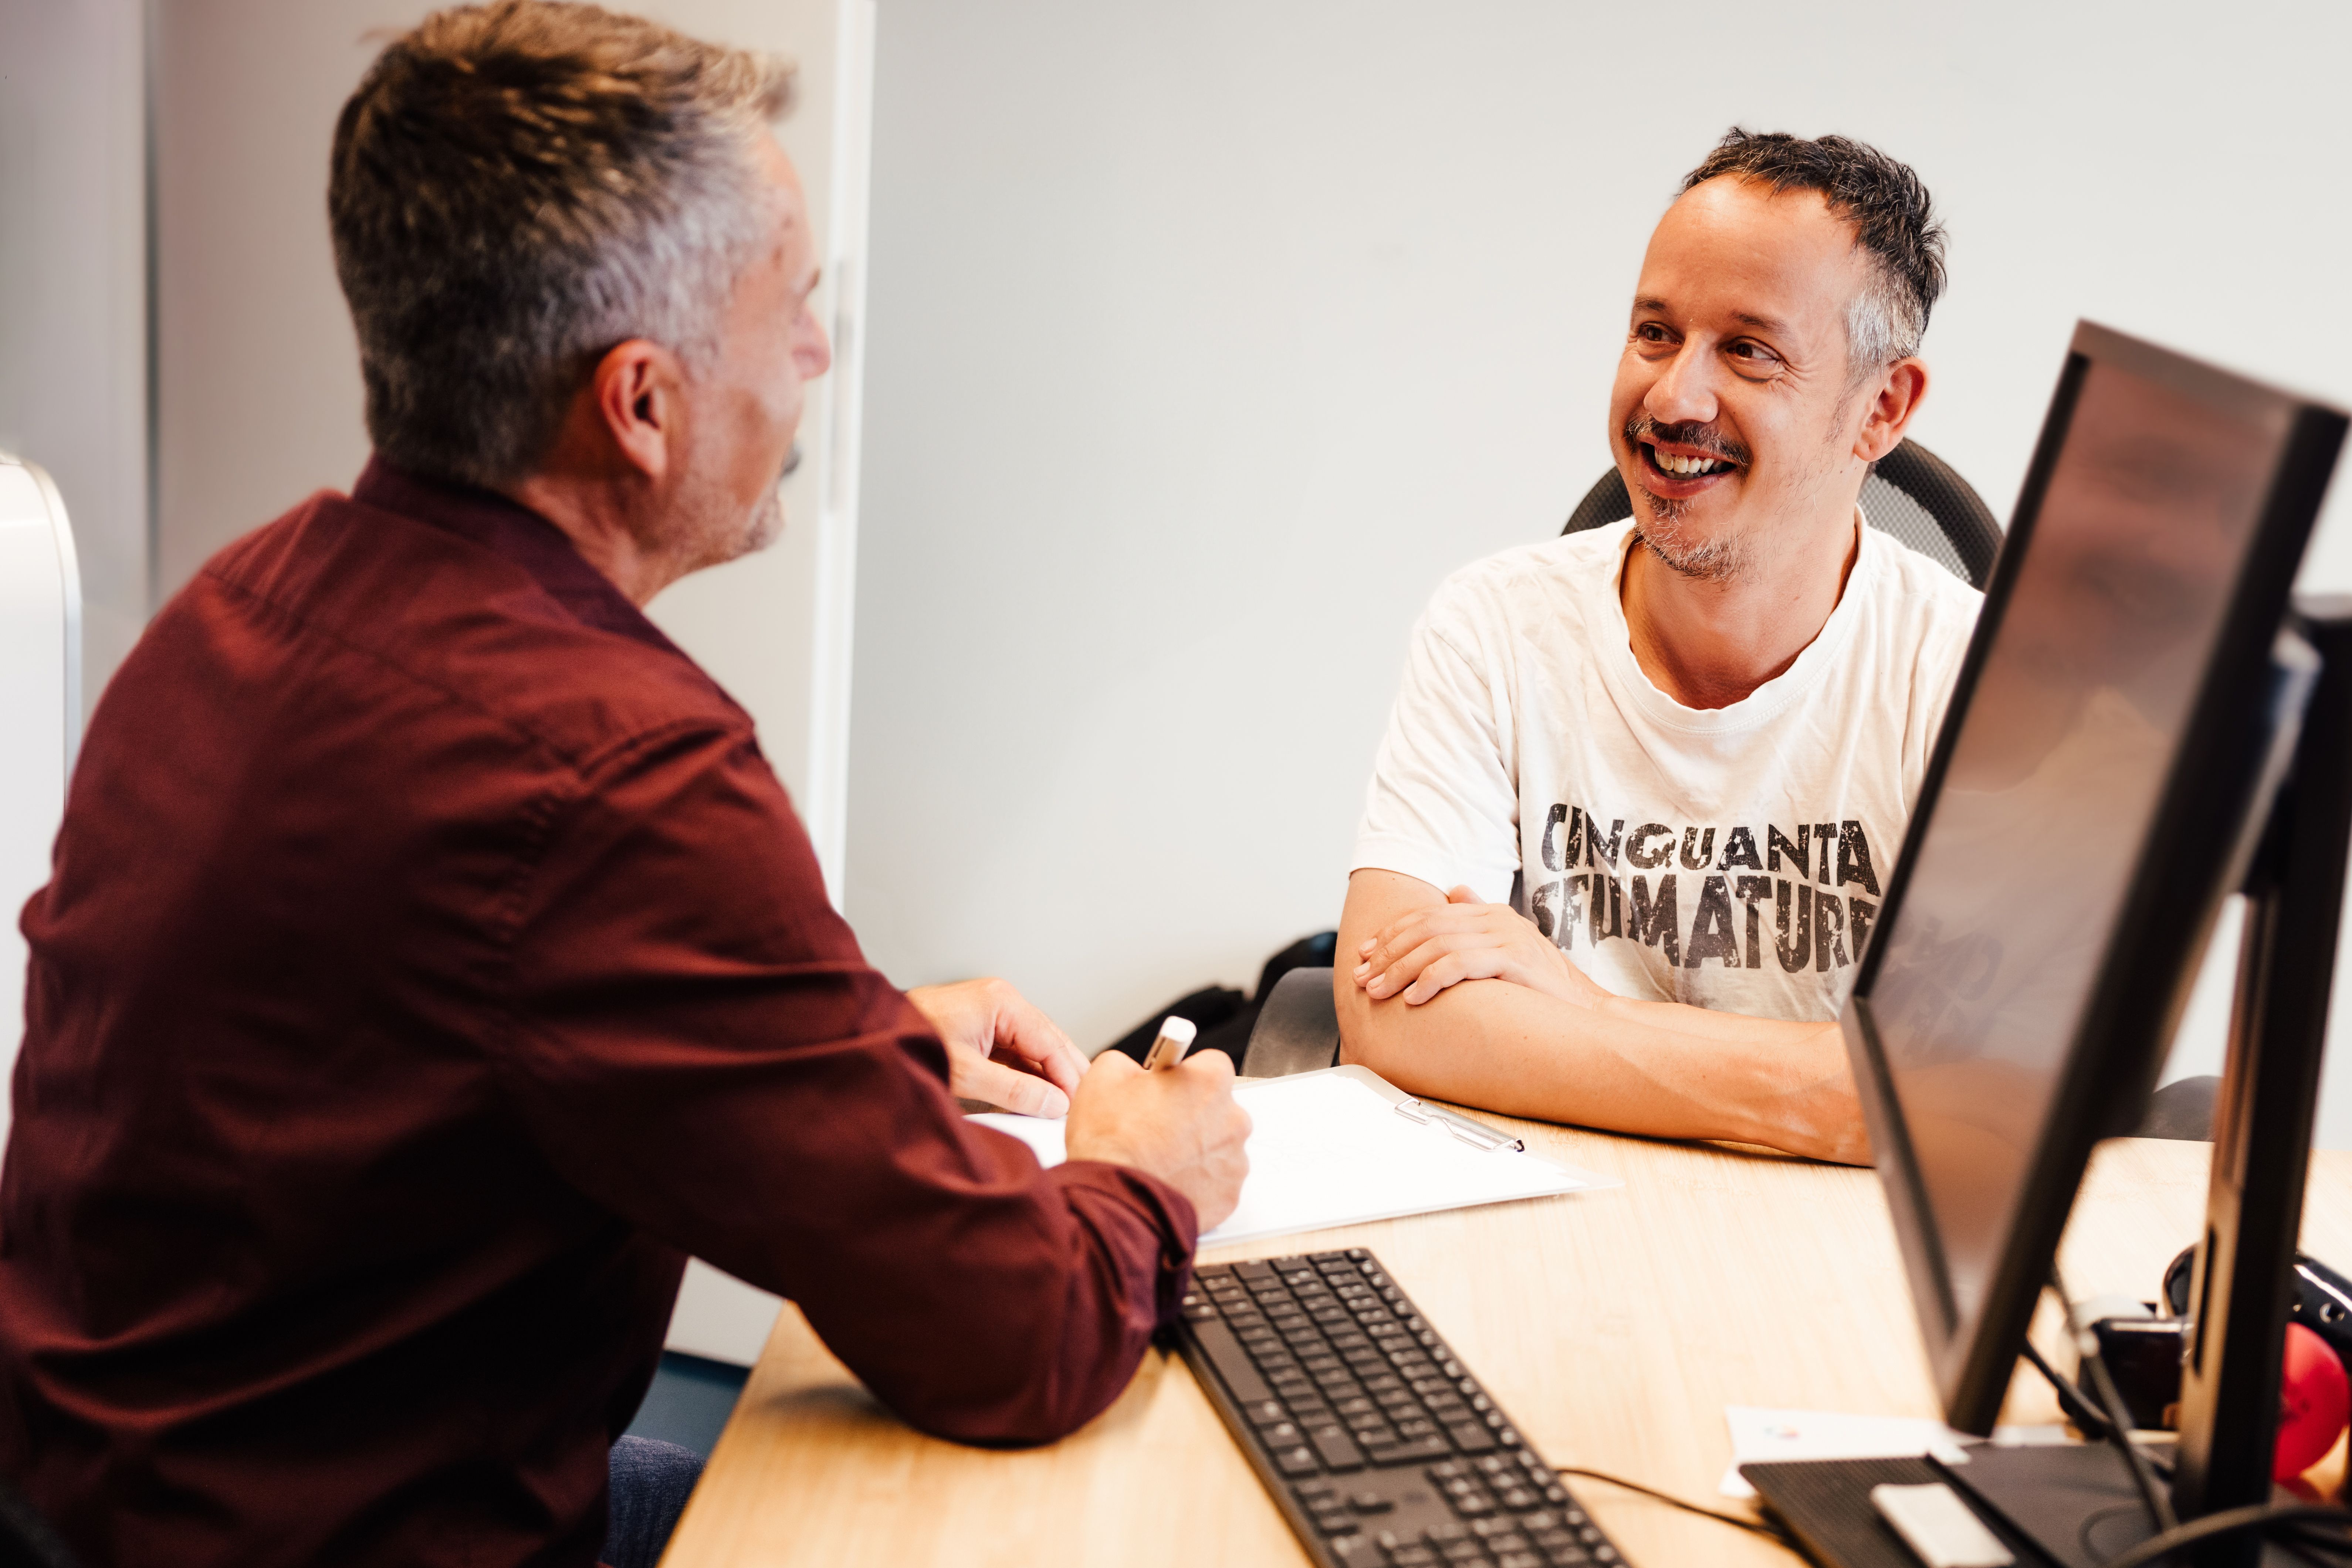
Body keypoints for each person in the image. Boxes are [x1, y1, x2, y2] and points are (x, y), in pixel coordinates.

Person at [0, 7, 1248, 1568]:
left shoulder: (235, 609)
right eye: (794, 308)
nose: (816, 356)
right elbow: (1015, 1332)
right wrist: (1139, 1173)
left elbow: (471, 1016)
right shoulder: (617, 775)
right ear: (642, 404)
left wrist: (847, 1037)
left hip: (115, 1503)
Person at [1338, 130, 1981, 1166]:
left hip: (1844, 1239)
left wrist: (1582, 1012)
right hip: (1545, 1212)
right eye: (1654, 333)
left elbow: (1970, 1103)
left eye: (1749, 350)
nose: (1674, 398)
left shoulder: (1975, 678)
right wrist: (1828, 1088)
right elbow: (1390, 1010)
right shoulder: (1492, 625)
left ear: (1879, 408)